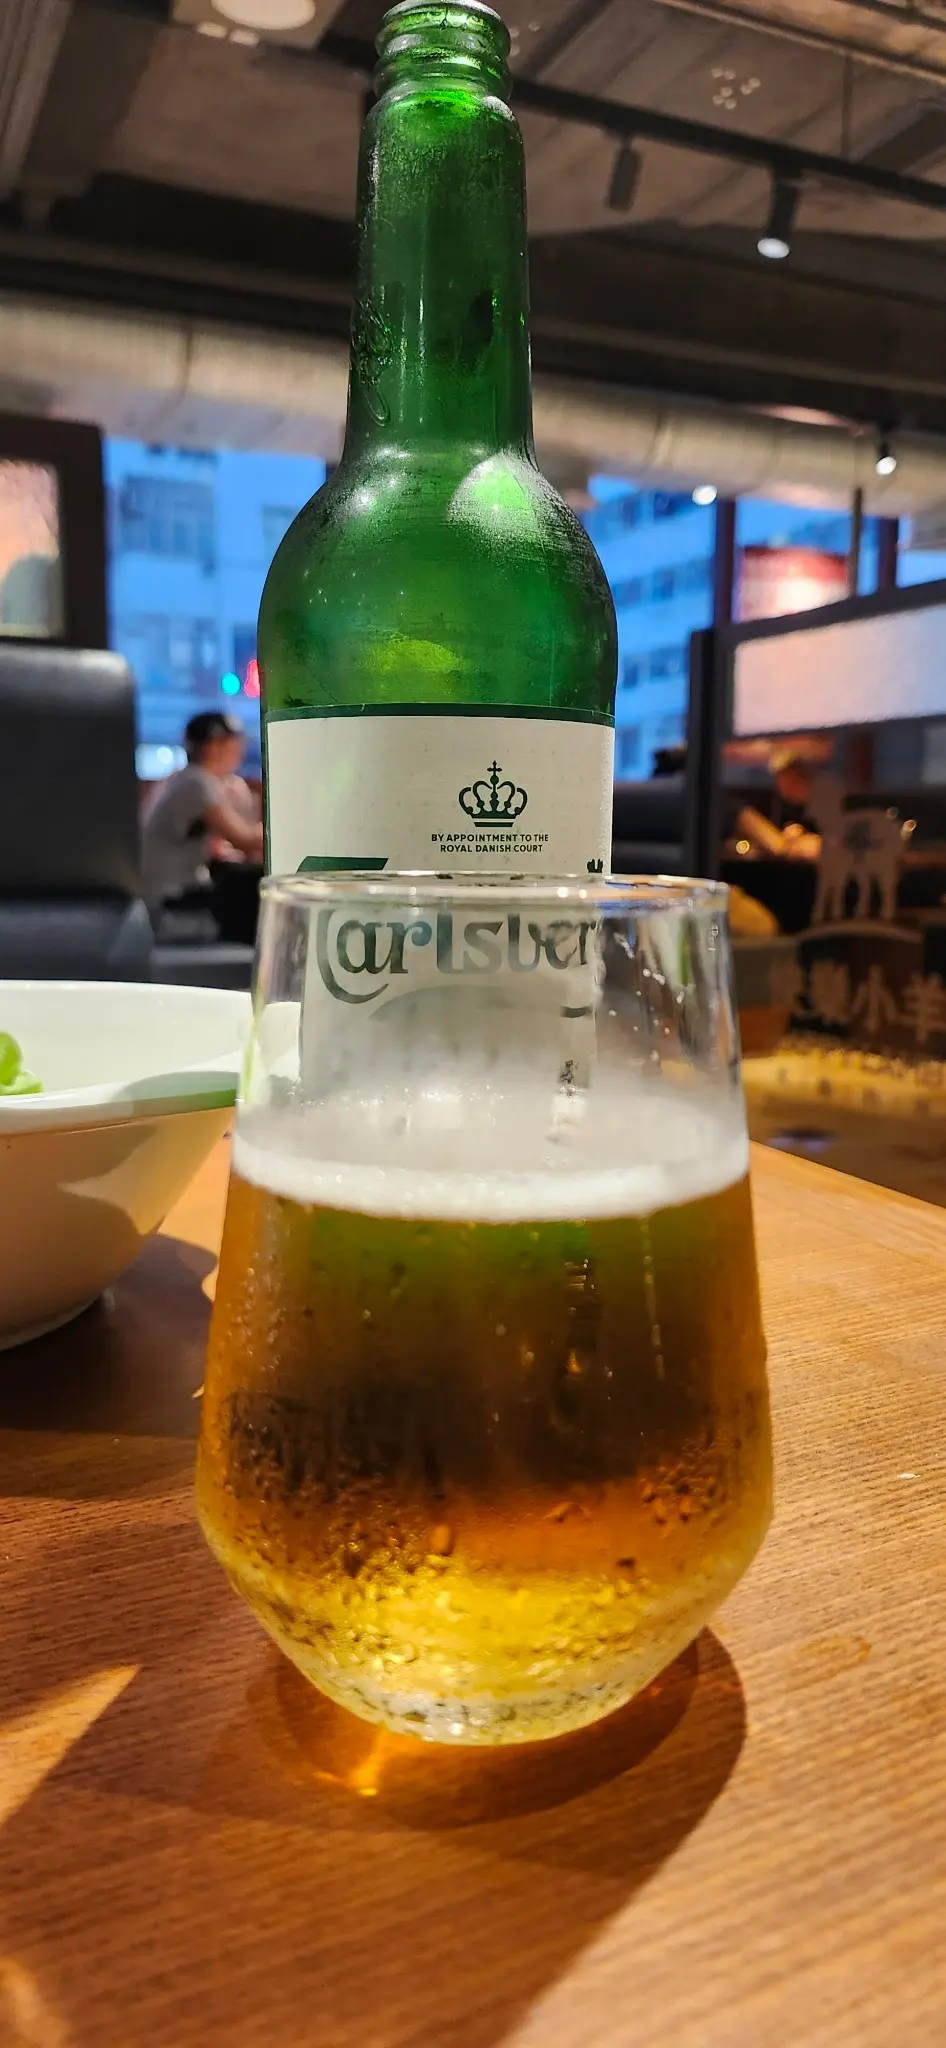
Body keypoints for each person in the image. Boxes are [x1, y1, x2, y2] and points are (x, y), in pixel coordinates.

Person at [142, 711, 264, 920]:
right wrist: (289, 829)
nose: (239, 752)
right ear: (213, 747)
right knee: (251, 894)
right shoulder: (196, 782)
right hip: (168, 899)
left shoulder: (182, 778)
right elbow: (245, 840)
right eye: (234, 745)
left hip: (158, 894)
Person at [737, 750, 822, 862]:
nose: (784, 791)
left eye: (790, 783)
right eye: (780, 784)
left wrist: (800, 840)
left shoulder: (826, 803)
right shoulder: (777, 804)